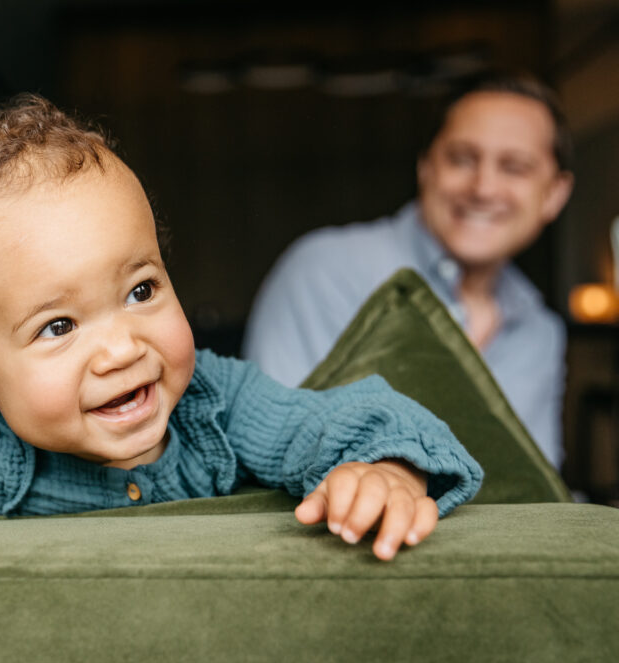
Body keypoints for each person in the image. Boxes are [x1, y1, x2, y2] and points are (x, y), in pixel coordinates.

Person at [0, 94, 482, 564]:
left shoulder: (216, 401)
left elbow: (350, 421)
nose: (122, 347)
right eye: (57, 327)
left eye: (141, 288)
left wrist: (385, 469)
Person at [243, 72, 574, 469]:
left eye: (514, 167)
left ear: (554, 195)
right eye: (461, 159)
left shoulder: (540, 333)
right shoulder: (326, 270)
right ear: (426, 168)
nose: (484, 188)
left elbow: (540, 494)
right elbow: (273, 450)